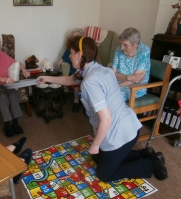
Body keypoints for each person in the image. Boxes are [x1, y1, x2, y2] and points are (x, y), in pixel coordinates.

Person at [37, 36, 167, 182]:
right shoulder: (96, 68)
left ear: (79, 55)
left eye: (71, 53)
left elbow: (106, 120)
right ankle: (146, 153)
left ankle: (151, 163)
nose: (69, 56)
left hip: (120, 132)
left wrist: (95, 144)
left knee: (105, 174)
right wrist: (46, 78)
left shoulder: (90, 82)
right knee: (97, 156)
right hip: (128, 125)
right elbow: (69, 80)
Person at [112, 28, 151, 101]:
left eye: (125, 45)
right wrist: (128, 77)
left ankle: (119, 112)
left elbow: (136, 80)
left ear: (136, 44)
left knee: (112, 97)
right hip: (116, 83)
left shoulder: (144, 51)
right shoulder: (118, 50)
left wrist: (118, 85)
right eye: (120, 43)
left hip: (134, 88)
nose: (121, 47)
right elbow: (112, 73)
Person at [58, 28, 84, 113]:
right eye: (73, 37)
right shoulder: (70, 48)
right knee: (76, 80)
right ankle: (76, 102)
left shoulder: (84, 48)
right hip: (73, 70)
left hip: (83, 71)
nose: (74, 39)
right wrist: (61, 61)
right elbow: (65, 56)